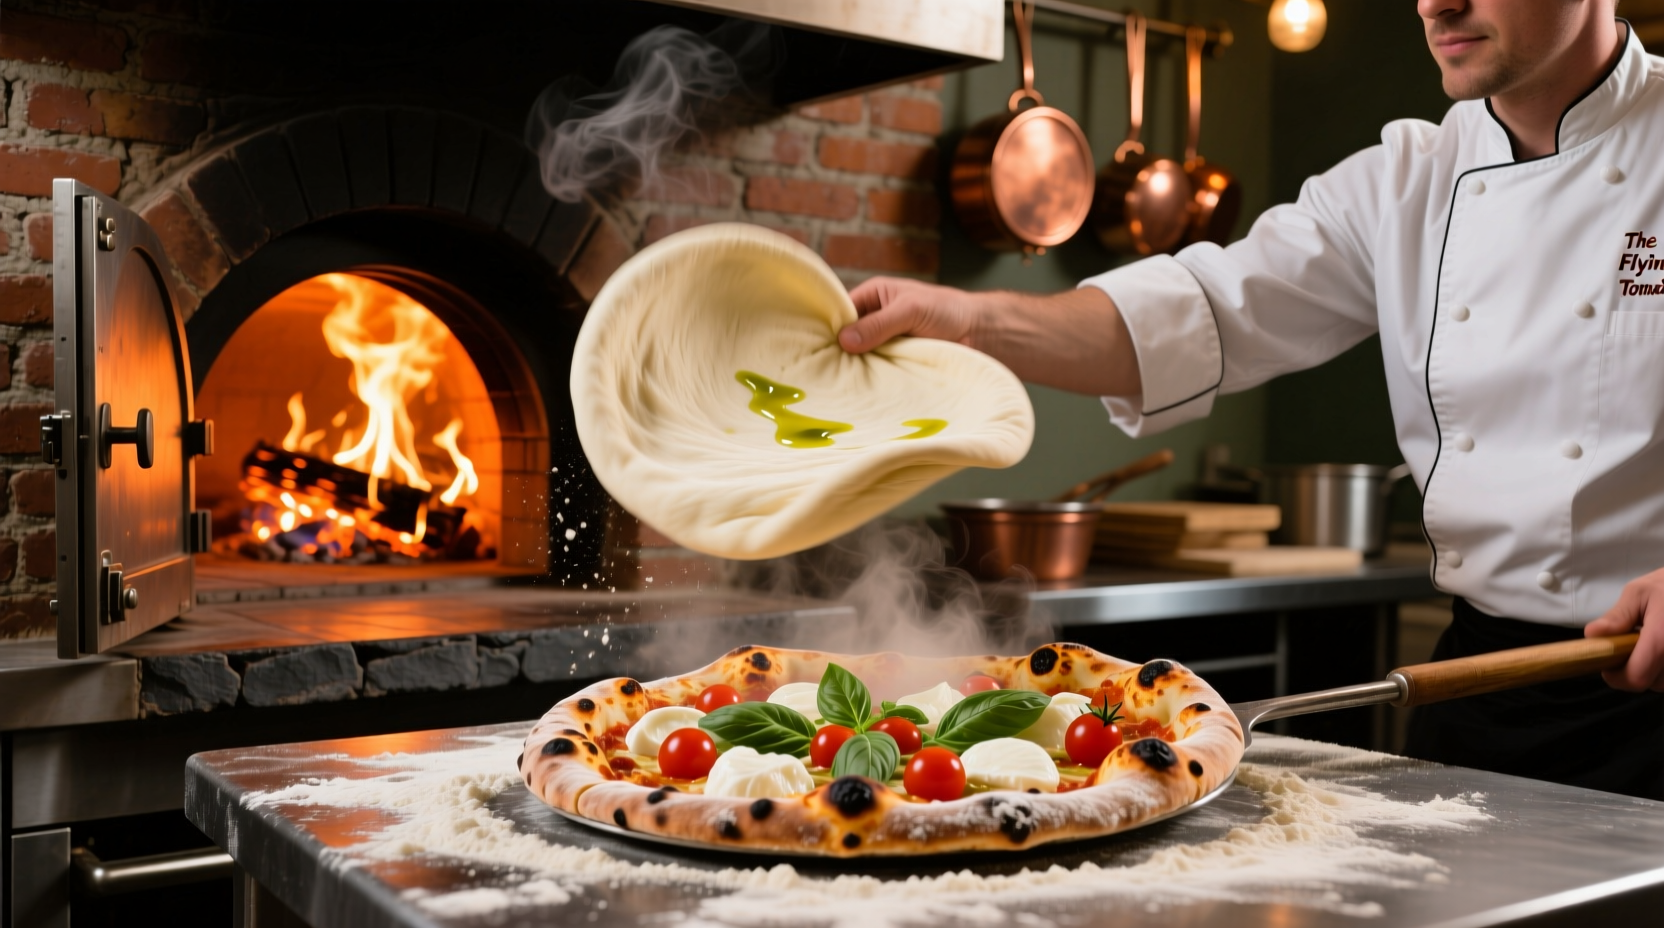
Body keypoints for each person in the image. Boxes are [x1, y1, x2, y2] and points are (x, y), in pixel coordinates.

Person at [838, 0, 1664, 800]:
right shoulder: (1406, 181)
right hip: (1476, 690)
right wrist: (971, 320)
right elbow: (1203, 314)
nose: (1435, 5)